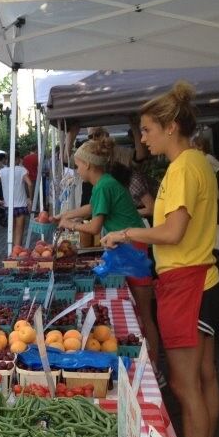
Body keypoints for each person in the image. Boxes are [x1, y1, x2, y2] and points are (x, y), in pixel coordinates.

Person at [101, 81, 219, 437]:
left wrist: (126, 232)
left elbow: (173, 232)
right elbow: (170, 219)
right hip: (198, 280)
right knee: (204, 380)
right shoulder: (192, 165)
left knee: (188, 386)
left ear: (171, 127)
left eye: (148, 130)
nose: (143, 138)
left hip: (187, 283)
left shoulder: (186, 167)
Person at [56, 137, 160, 367]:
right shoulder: (104, 183)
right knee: (137, 308)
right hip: (125, 248)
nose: (77, 169)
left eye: (77, 165)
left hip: (133, 250)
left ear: (89, 165)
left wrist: (70, 225)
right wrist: (64, 216)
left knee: (143, 312)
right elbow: (93, 207)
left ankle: (154, 366)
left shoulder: (104, 185)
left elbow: (93, 226)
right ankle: (149, 361)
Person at [0, 154, 32, 248]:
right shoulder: (21, 169)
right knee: (19, 230)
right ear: (17, 159)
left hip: (8, 206)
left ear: (7, 160)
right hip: (21, 205)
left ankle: (14, 249)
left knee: (12, 229)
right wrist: (30, 198)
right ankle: (17, 250)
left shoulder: (2, 171)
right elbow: (29, 184)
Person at [193, 135, 219, 201]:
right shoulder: (198, 159)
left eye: (193, 147)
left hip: (212, 197)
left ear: (200, 146)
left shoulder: (208, 158)